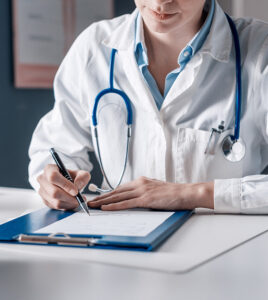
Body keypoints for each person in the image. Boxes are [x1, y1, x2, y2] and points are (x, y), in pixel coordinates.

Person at [29, 0, 268, 214]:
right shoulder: (94, 47)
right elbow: (55, 147)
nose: (160, 1)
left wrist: (192, 194)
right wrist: (57, 181)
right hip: (122, 246)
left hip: (228, 253)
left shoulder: (260, 49)